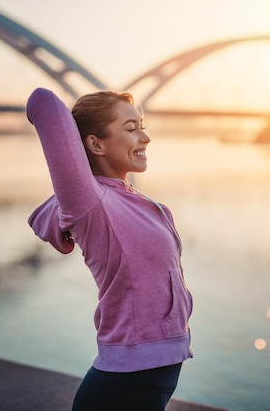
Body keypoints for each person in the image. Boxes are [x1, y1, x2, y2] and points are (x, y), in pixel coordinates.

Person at [26, 87, 193, 410]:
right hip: (123, 382)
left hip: (155, 370)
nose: (145, 138)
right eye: (131, 129)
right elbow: (43, 102)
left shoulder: (147, 205)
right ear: (96, 144)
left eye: (142, 126)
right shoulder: (91, 204)